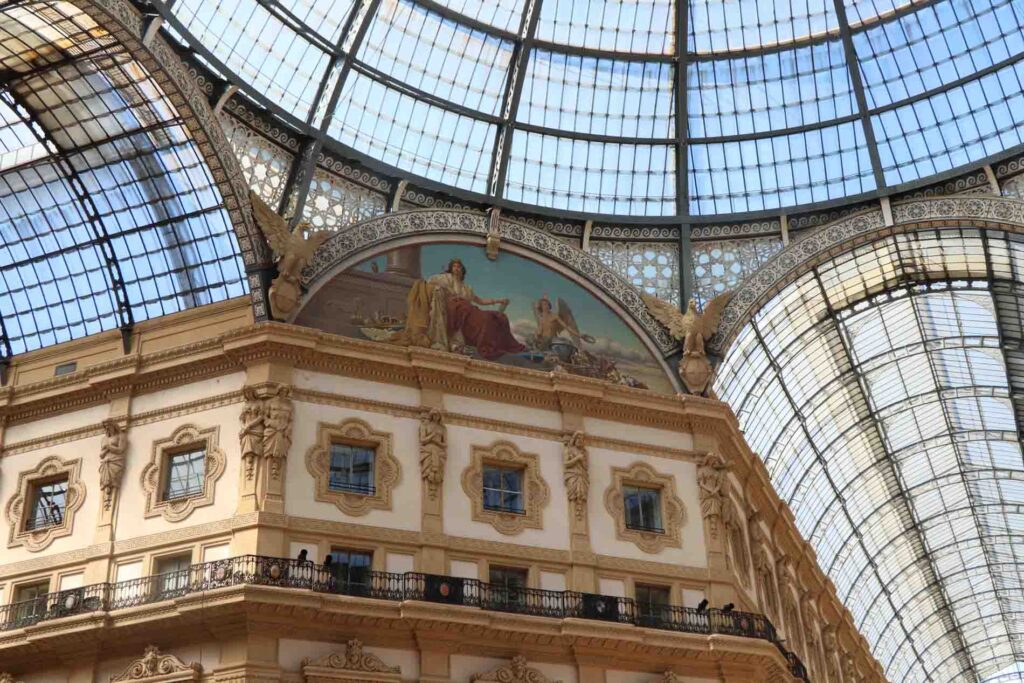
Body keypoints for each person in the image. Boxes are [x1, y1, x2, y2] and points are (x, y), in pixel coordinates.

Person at [424, 259, 525, 360]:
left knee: (494, 317)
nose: (457, 268)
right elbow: (431, 281)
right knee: (479, 316)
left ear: (462, 270)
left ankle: (498, 344)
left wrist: (498, 301)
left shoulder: (467, 288)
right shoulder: (446, 279)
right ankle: (466, 344)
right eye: (454, 266)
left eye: (459, 267)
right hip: (455, 310)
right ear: (451, 269)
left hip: (469, 310)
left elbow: (480, 301)